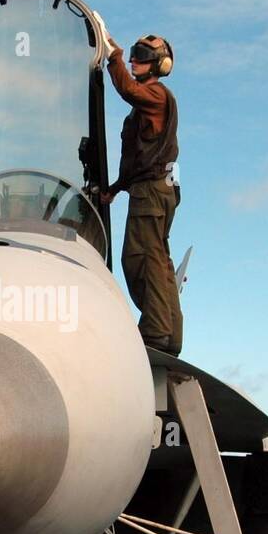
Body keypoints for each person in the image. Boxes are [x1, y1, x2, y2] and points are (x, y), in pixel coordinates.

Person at [102, 32, 183, 355]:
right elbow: (139, 158)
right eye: (133, 54)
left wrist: (113, 56)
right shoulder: (145, 106)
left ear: (158, 64)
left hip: (151, 192)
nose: (134, 60)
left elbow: (126, 89)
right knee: (159, 261)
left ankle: (155, 333)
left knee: (141, 258)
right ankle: (169, 334)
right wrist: (115, 189)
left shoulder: (156, 96)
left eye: (140, 55)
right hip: (152, 188)